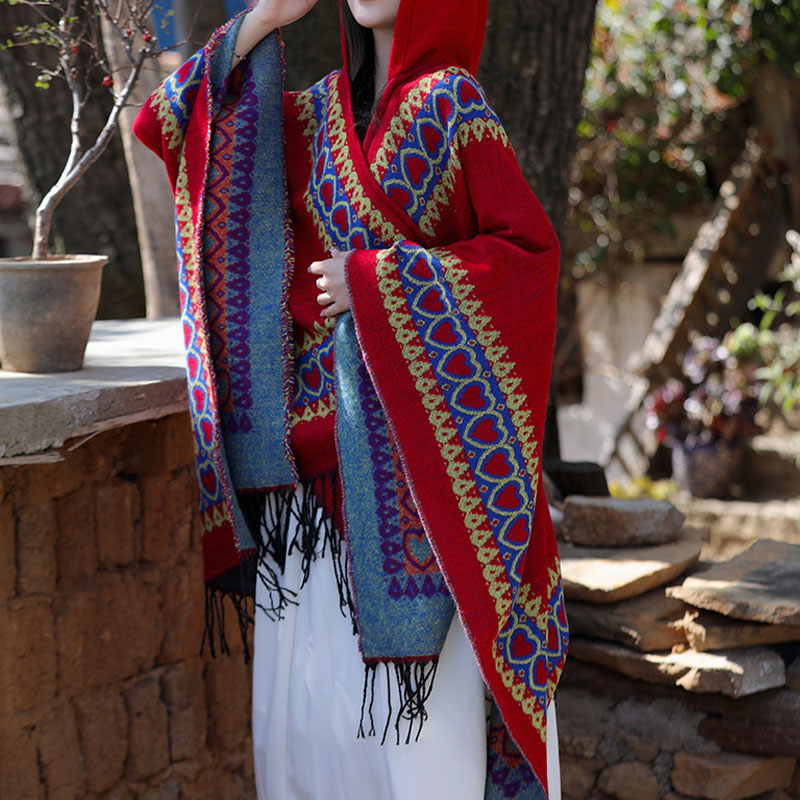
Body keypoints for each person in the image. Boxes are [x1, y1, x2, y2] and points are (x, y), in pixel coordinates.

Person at [133, 0, 569, 798]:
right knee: (308, 747)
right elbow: (173, 122)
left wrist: (376, 282)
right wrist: (263, 20)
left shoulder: (452, 105)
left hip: (424, 504)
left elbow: (527, 263)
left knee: (416, 760)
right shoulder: (315, 113)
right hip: (307, 501)